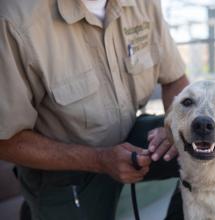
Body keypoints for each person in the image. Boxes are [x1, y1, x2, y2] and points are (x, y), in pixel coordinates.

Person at [0, 0, 189, 219]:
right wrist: (99, 159)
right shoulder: (15, 19)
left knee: (202, 147)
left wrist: (174, 126)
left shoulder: (144, 4)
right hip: (64, 171)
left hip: (131, 137)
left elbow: (175, 79)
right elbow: (6, 140)